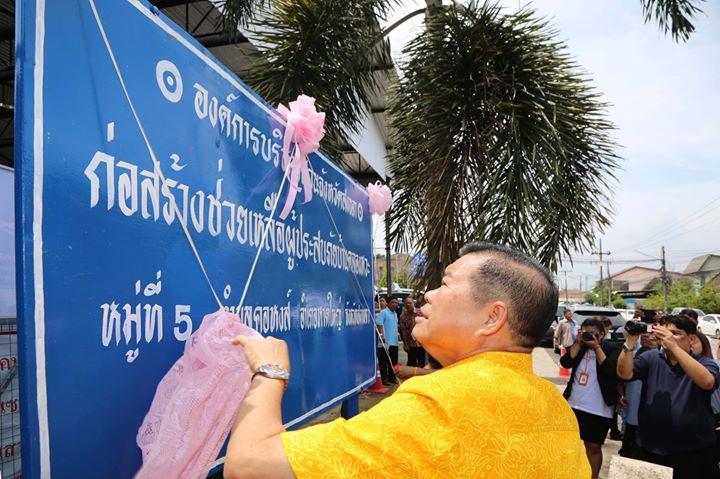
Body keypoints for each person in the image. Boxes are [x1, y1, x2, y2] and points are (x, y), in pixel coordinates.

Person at [223, 242, 590, 478]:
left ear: (493, 318)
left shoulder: (440, 405)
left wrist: (269, 372)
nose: (427, 294)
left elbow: (249, 464)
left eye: (445, 284)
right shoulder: (556, 409)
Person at [617, 315, 720, 479]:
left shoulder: (704, 363)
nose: (668, 337)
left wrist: (674, 347)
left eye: (675, 333)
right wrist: (630, 342)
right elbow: (624, 373)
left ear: (691, 339)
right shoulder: (651, 358)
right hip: (650, 449)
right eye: (665, 333)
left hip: (693, 452)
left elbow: (707, 382)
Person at [560, 318, 620, 479]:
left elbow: (610, 371)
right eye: (586, 332)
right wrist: (578, 343)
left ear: (602, 334)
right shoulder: (580, 347)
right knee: (568, 444)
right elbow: (565, 363)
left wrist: (597, 347)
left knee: (593, 447)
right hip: (573, 403)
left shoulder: (611, 348)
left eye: (594, 333)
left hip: (599, 408)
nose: (590, 336)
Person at [617, 330, 659, 458]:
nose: (646, 336)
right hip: (632, 411)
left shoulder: (661, 357)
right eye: (644, 333)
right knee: (628, 446)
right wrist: (621, 394)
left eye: (652, 334)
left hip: (651, 416)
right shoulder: (631, 352)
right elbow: (621, 375)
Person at [376, 297, 399, 385]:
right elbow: (378, 324)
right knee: (384, 361)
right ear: (388, 304)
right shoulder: (384, 312)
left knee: (393, 361)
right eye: (393, 302)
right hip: (385, 342)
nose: (395, 304)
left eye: (396, 303)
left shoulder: (395, 314)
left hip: (394, 342)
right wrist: (381, 335)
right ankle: (384, 379)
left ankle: (392, 378)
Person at [399, 296, 426, 367]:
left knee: (422, 364)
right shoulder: (403, 316)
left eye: (410, 303)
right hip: (411, 345)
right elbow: (403, 331)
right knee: (412, 364)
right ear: (404, 305)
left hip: (421, 344)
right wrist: (405, 344)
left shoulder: (421, 313)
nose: (408, 305)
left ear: (413, 303)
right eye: (406, 303)